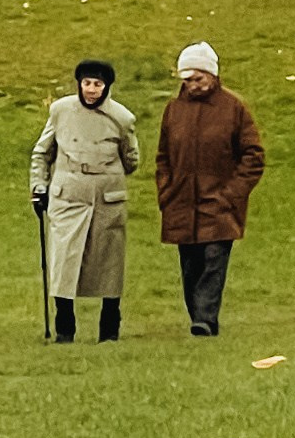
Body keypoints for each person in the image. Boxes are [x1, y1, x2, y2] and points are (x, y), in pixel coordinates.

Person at [156, 43, 265, 336]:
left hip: (219, 203)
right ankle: (201, 320)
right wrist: (166, 191)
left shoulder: (234, 109)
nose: (193, 85)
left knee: (213, 262)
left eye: (198, 79)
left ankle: (204, 318)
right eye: (187, 80)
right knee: (190, 267)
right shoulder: (173, 110)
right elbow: (163, 156)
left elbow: (254, 156)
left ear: (213, 75)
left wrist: (231, 195)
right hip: (180, 202)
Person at [29, 57, 137, 342]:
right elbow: (42, 153)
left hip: (107, 198)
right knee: (64, 260)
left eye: (97, 84)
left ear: (107, 87)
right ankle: (65, 327)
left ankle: (109, 328)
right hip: (68, 196)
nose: (91, 90)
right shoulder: (60, 111)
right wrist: (39, 187)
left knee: (109, 263)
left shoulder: (122, 118)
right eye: (87, 83)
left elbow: (131, 159)